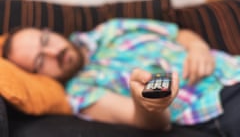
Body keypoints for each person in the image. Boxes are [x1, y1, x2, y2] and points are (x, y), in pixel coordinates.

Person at [2, 18, 240, 136]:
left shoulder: (112, 27)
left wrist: (198, 48)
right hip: (219, 103)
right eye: (40, 61)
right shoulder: (79, 92)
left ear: (49, 31)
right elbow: (153, 123)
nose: (55, 52)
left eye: (45, 41)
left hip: (232, 66)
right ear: (37, 76)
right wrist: (147, 103)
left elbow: (180, 34)